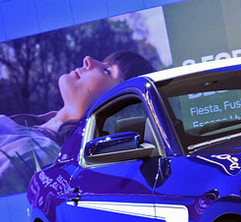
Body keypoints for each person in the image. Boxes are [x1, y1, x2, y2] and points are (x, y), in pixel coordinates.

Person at [0, 51, 154, 195]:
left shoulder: (39, 158)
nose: (88, 60)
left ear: (117, 110)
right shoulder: (32, 133)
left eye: (107, 71)